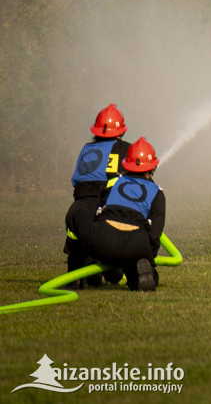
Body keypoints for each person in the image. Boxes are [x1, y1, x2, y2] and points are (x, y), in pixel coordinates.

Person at [73, 136, 166, 291]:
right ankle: (139, 274)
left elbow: (98, 212)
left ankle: (94, 261)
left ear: (125, 164)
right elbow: (155, 233)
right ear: (152, 168)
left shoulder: (112, 183)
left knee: (79, 214)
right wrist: (148, 258)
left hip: (103, 237)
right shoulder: (157, 192)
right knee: (136, 268)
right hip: (135, 242)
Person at [64, 104, 131, 287]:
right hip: (106, 203)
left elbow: (78, 180)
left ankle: (78, 275)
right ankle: (114, 271)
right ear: (121, 131)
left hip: (78, 207)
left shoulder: (87, 150)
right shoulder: (125, 149)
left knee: (78, 241)